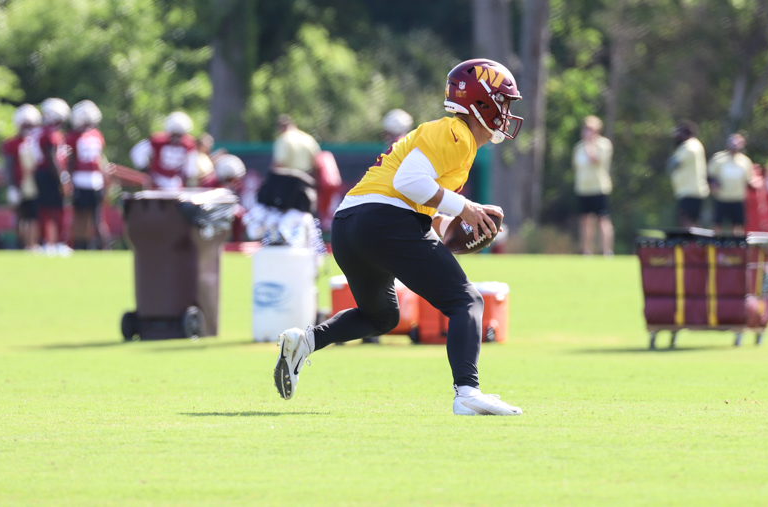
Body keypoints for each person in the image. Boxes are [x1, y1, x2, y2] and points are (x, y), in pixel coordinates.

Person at [274, 58, 524, 416]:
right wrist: (466, 208)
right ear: (481, 103)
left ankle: (306, 341)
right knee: (465, 301)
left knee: (381, 317)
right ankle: (467, 393)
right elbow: (409, 182)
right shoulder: (456, 133)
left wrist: (451, 227)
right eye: (502, 101)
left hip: (349, 225)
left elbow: (417, 202)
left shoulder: (453, 139)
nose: (507, 112)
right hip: (384, 220)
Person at [257, 114, 321, 214]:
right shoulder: (308, 139)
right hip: (307, 182)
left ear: (280, 128)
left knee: (287, 214)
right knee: (306, 214)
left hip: (289, 184)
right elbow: (317, 162)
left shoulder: (284, 139)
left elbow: (279, 164)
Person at [67, 101, 110, 250]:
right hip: (96, 180)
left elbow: (71, 160)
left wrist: (68, 180)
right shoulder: (97, 135)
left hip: (80, 179)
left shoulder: (73, 136)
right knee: (97, 218)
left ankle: (81, 245)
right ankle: (104, 246)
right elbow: (100, 160)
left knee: (80, 216)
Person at [34, 98, 72, 255]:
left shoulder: (46, 132)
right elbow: (52, 159)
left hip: (44, 173)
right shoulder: (50, 134)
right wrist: (62, 179)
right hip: (50, 174)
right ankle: (57, 242)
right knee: (55, 209)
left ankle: (48, 242)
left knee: (47, 209)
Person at [572, 115, 614, 256]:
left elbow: (595, 160)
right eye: (585, 129)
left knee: (602, 219)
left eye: (590, 129)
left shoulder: (603, 145)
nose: (587, 132)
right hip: (583, 188)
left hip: (599, 188)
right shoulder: (578, 147)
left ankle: (606, 250)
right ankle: (586, 250)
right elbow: (576, 167)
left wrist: (590, 145)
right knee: (585, 220)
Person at [2, 105, 42, 250]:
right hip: (19, 184)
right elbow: (8, 166)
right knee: (20, 216)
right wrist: (12, 186)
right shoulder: (11, 143)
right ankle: (20, 244)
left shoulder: (36, 142)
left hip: (34, 185)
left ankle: (32, 243)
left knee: (34, 216)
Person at [130, 112, 199, 189]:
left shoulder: (187, 145)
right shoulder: (158, 141)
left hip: (174, 182)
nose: (176, 138)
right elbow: (137, 152)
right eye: (174, 134)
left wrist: (190, 179)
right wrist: (146, 171)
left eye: (179, 134)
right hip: (157, 180)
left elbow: (191, 166)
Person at [707, 133, 753, 236]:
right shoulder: (718, 158)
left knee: (737, 226)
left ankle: (736, 245)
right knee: (717, 224)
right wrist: (713, 183)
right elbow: (709, 175)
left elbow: (747, 180)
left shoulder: (745, 161)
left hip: (737, 199)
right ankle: (715, 244)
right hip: (721, 198)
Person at [667, 121, 709, 228]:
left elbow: (674, 164)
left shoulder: (690, 146)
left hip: (690, 191)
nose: (676, 137)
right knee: (691, 221)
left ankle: (693, 239)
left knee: (685, 219)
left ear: (686, 133)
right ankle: (695, 238)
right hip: (689, 191)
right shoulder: (690, 145)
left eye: (678, 133)